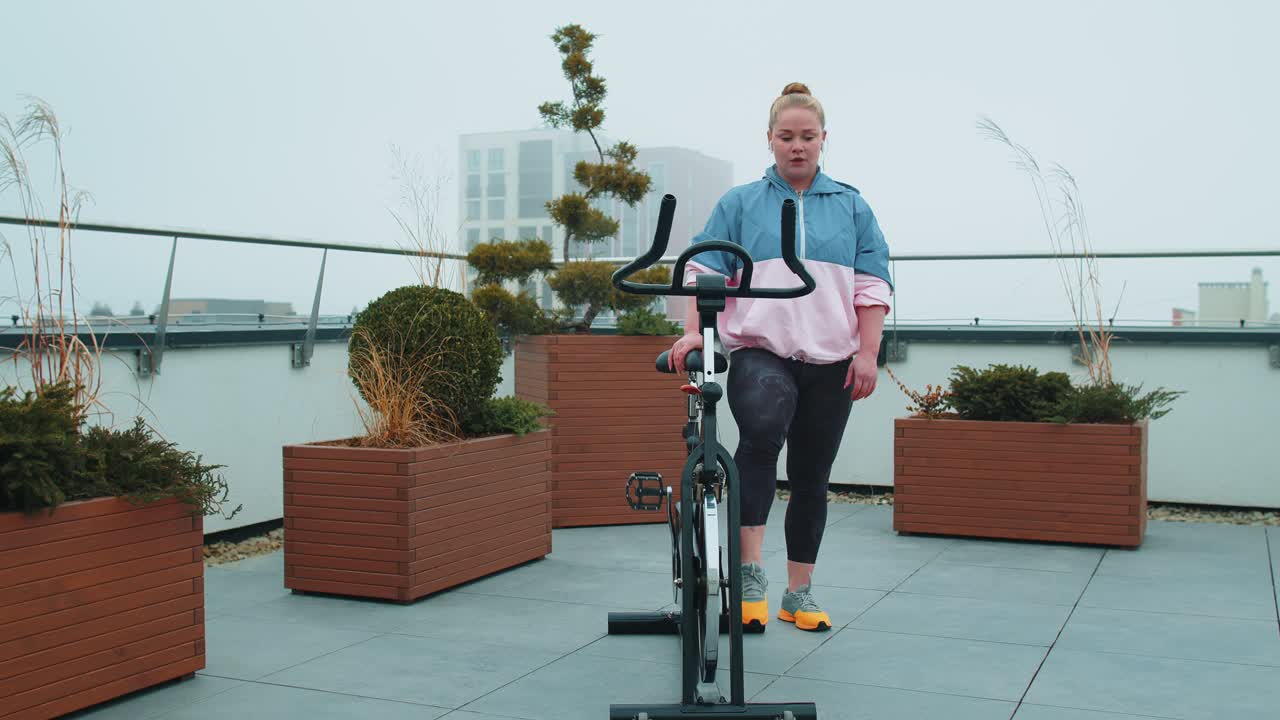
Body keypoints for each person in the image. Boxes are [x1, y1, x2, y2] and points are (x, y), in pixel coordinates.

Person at [669, 82, 892, 632]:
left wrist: (867, 353)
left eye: (808, 137)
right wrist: (698, 333)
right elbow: (703, 271)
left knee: (813, 473)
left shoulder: (852, 207)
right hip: (761, 352)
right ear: (769, 140)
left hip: (832, 361)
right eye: (787, 137)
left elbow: (872, 285)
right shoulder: (741, 203)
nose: (798, 146)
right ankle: (749, 575)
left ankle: (799, 592)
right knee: (763, 436)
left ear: (823, 140)